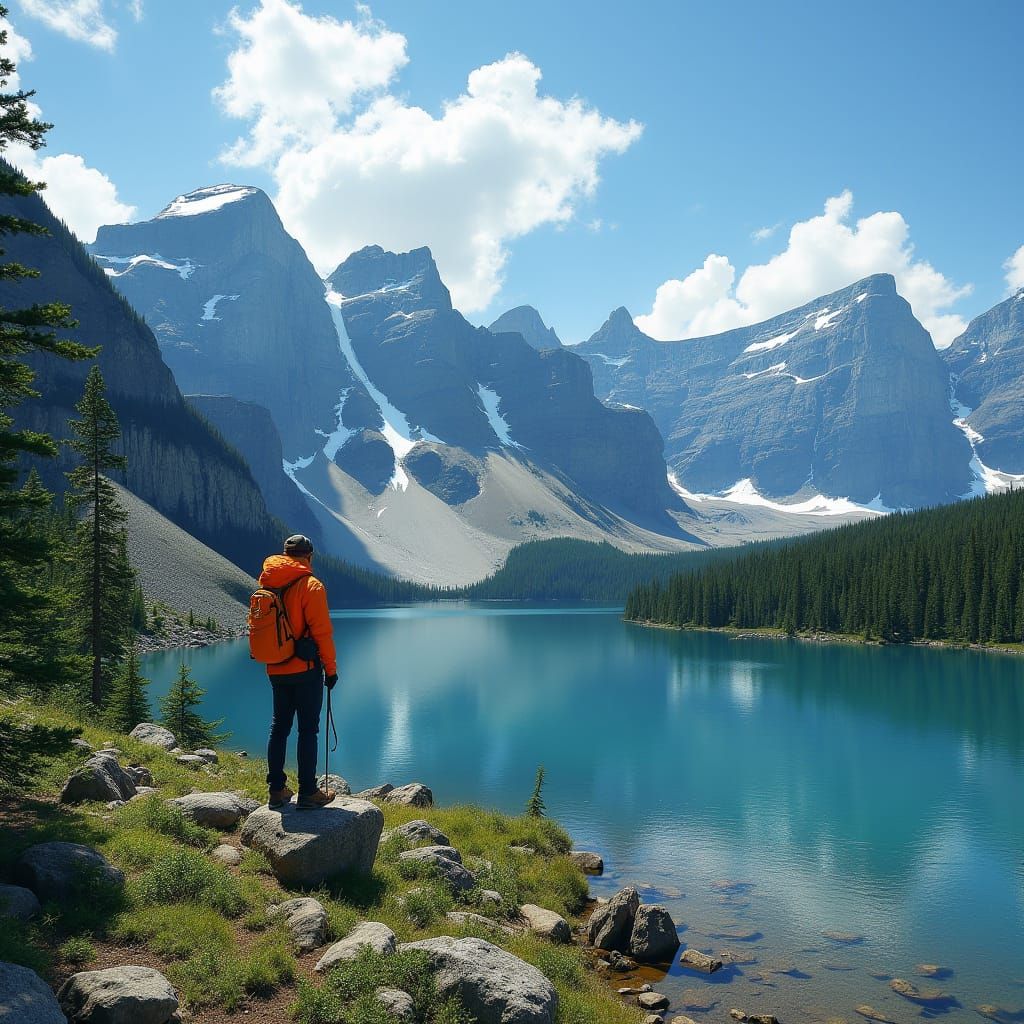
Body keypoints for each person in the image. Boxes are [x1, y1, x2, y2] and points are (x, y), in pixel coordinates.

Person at [259, 534, 339, 809]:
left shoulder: (268, 581)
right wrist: (331, 670)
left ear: (285, 554)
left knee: (279, 727)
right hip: (305, 670)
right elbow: (322, 634)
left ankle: (277, 790)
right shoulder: (311, 586)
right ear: (309, 556)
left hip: (276, 667)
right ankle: (308, 792)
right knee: (308, 730)